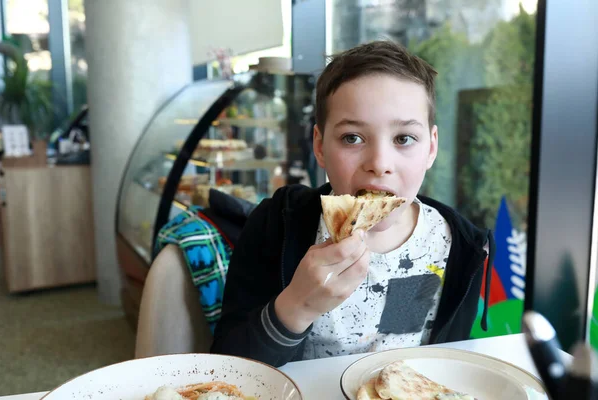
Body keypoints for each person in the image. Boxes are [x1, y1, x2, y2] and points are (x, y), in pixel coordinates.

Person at [210, 40, 495, 367]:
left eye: (403, 139)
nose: (379, 162)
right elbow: (227, 369)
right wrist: (295, 308)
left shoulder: (455, 247)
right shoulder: (276, 225)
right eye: (352, 138)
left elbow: (426, 358)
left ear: (431, 148)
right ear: (319, 146)